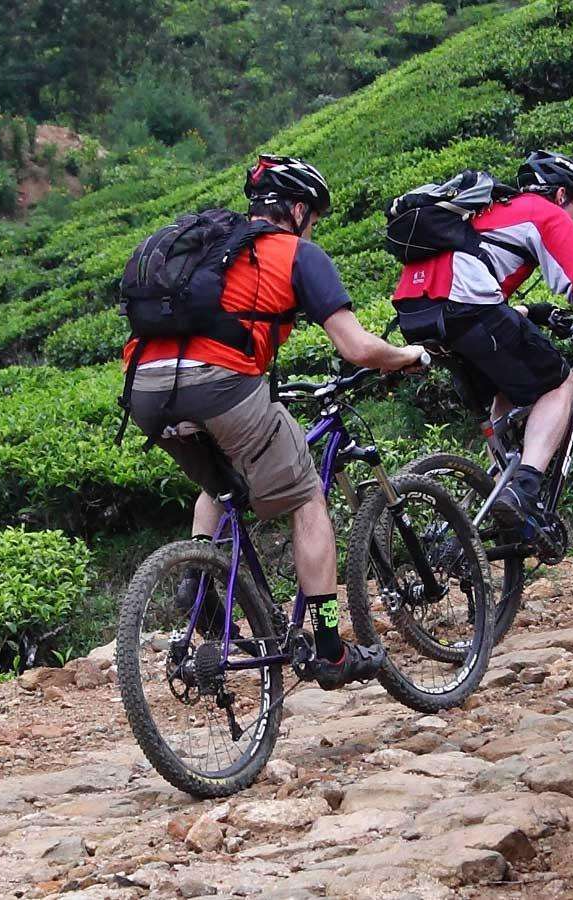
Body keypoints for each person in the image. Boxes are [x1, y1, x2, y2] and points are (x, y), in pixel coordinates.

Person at [125, 154, 427, 689]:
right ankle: (331, 648)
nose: (313, 228)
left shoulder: (214, 250)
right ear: (296, 209)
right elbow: (355, 346)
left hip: (145, 387)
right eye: (312, 217)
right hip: (218, 383)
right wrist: (406, 356)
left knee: (220, 483)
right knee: (307, 498)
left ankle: (199, 581)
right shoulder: (296, 253)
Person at [392, 150, 573, 535]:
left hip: (418, 314)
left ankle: (495, 500)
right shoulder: (544, 212)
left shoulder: (487, 212)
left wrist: (528, 310)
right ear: (563, 195)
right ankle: (525, 489)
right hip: (466, 307)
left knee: (508, 387)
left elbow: (480, 272)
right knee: (558, 382)